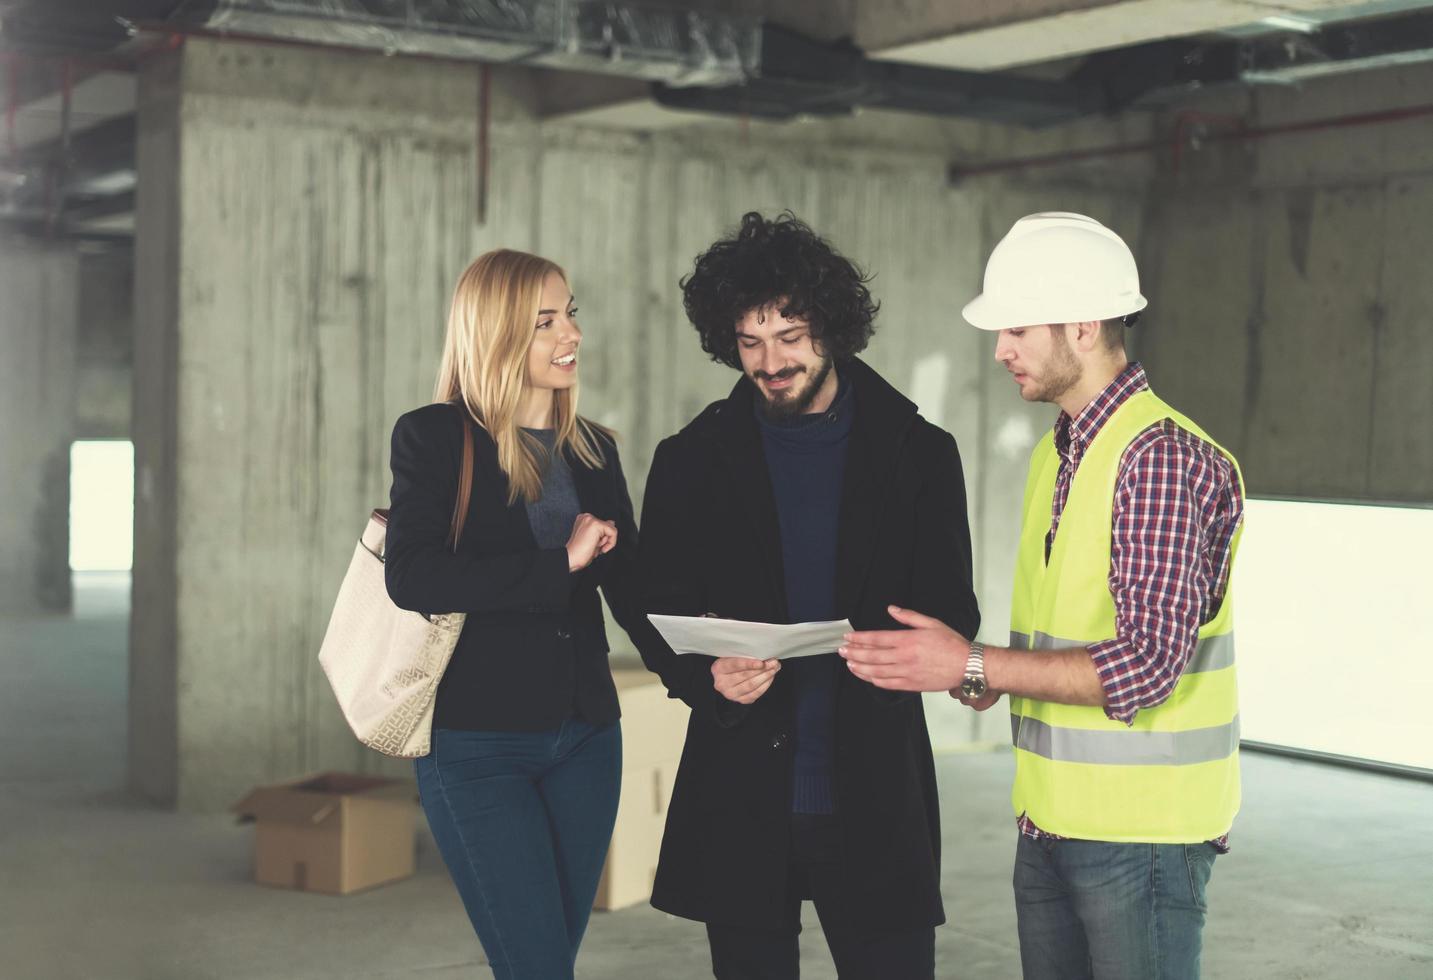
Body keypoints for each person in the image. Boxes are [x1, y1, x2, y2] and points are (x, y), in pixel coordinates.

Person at [840, 212, 1245, 980]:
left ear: (1084, 326)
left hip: (1141, 837)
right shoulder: (1055, 454)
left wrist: (976, 663)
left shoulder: (1156, 458)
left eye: (1018, 329)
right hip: (1051, 820)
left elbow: (1145, 667)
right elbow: (1058, 636)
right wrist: (969, 671)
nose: (999, 350)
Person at [634, 211, 980, 980]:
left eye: (789, 337)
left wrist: (913, 653)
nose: (769, 361)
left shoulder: (920, 454)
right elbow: (659, 612)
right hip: (741, 790)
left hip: (874, 784)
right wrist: (707, 678)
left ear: (830, 328)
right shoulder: (689, 459)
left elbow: (953, 609)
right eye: (749, 342)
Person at [384, 248, 647, 980]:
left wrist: (707, 667)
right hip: (476, 746)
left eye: (570, 313)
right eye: (544, 321)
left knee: (547, 960)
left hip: (587, 736)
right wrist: (558, 564)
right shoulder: (434, 437)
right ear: (497, 334)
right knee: (536, 966)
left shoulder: (591, 449)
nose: (571, 333)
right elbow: (413, 575)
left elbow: (632, 587)